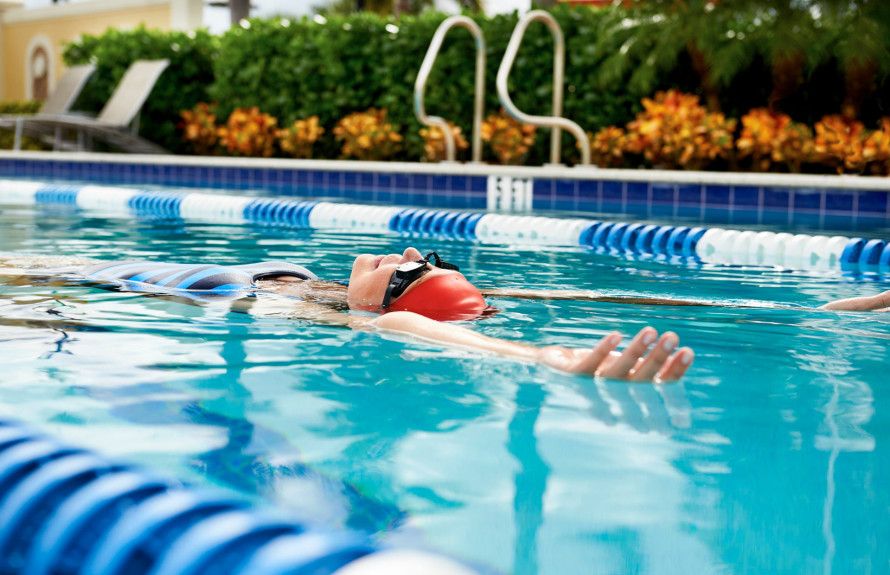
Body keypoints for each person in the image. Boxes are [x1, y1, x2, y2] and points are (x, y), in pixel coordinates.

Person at [0, 248, 696, 383]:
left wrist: (546, 358)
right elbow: (547, 299)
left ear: (387, 299)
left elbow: (411, 326)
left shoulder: (336, 316)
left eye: (415, 269)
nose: (409, 249)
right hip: (92, 267)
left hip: (87, 284)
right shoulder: (329, 287)